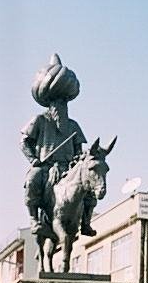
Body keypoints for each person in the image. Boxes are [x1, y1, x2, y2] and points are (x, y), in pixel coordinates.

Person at [21, 53, 96, 237]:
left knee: (89, 191)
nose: (61, 106)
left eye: (64, 102)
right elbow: (24, 142)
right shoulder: (39, 120)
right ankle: (34, 219)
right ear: (50, 102)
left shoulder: (73, 125)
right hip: (45, 166)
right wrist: (34, 160)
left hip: (68, 169)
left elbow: (79, 150)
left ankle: (85, 223)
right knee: (32, 180)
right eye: (57, 101)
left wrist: (79, 159)